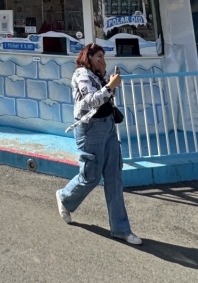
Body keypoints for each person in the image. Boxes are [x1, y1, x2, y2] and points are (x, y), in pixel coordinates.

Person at [55, 43, 142, 246]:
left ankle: (121, 229)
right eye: (98, 56)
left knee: (114, 177)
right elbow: (89, 101)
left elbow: (106, 99)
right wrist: (110, 85)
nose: (102, 60)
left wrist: (109, 82)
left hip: (108, 127)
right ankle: (65, 197)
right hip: (91, 130)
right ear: (88, 56)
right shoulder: (81, 74)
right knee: (91, 177)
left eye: (104, 56)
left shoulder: (98, 75)